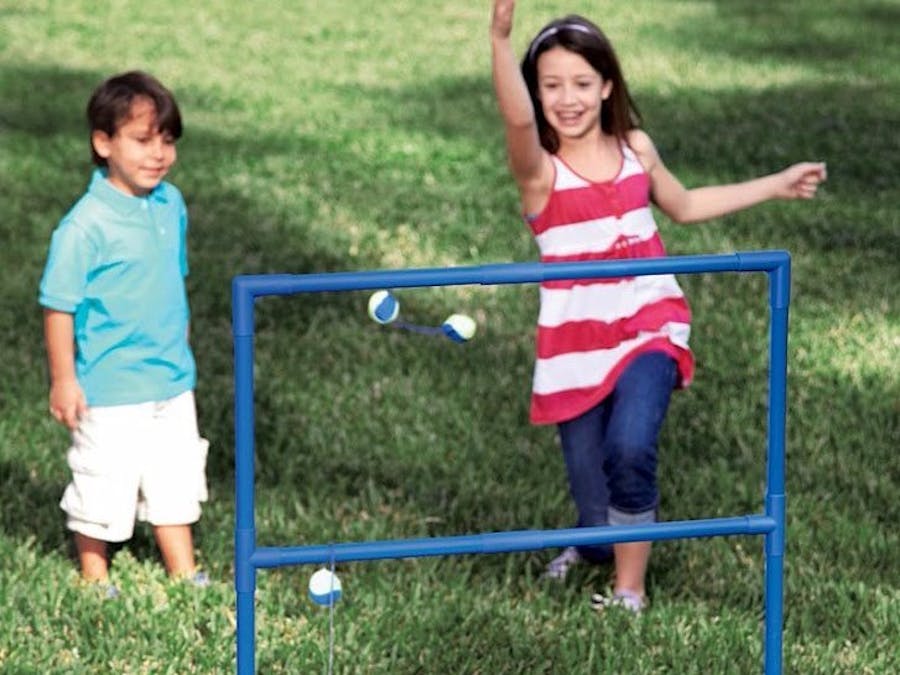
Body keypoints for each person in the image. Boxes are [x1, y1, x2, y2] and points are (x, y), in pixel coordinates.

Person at [489, 0, 825, 612]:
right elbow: (515, 121)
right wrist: (500, 40)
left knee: (630, 448)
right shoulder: (540, 173)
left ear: (607, 85)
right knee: (597, 516)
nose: (568, 98)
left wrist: (776, 184)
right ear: (536, 94)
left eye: (582, 83)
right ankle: (592, 544)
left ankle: (630, 590)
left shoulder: (635, 149)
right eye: (551, 85)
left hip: (650, 325)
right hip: (574, 347)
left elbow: (686, 206)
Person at [39, 71, 209, 593]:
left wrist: (181, 345)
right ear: (103, 142)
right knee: (103, 482)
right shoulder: (83, 227)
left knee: (176, 476)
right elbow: (58, 307)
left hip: (171, 379)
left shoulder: (170, 205)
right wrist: (64, 380)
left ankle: (184, 572)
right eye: (142, 139)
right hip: (110, 387)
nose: (159, 153)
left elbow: (172, 282)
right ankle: (95, 577)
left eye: (168, 140)